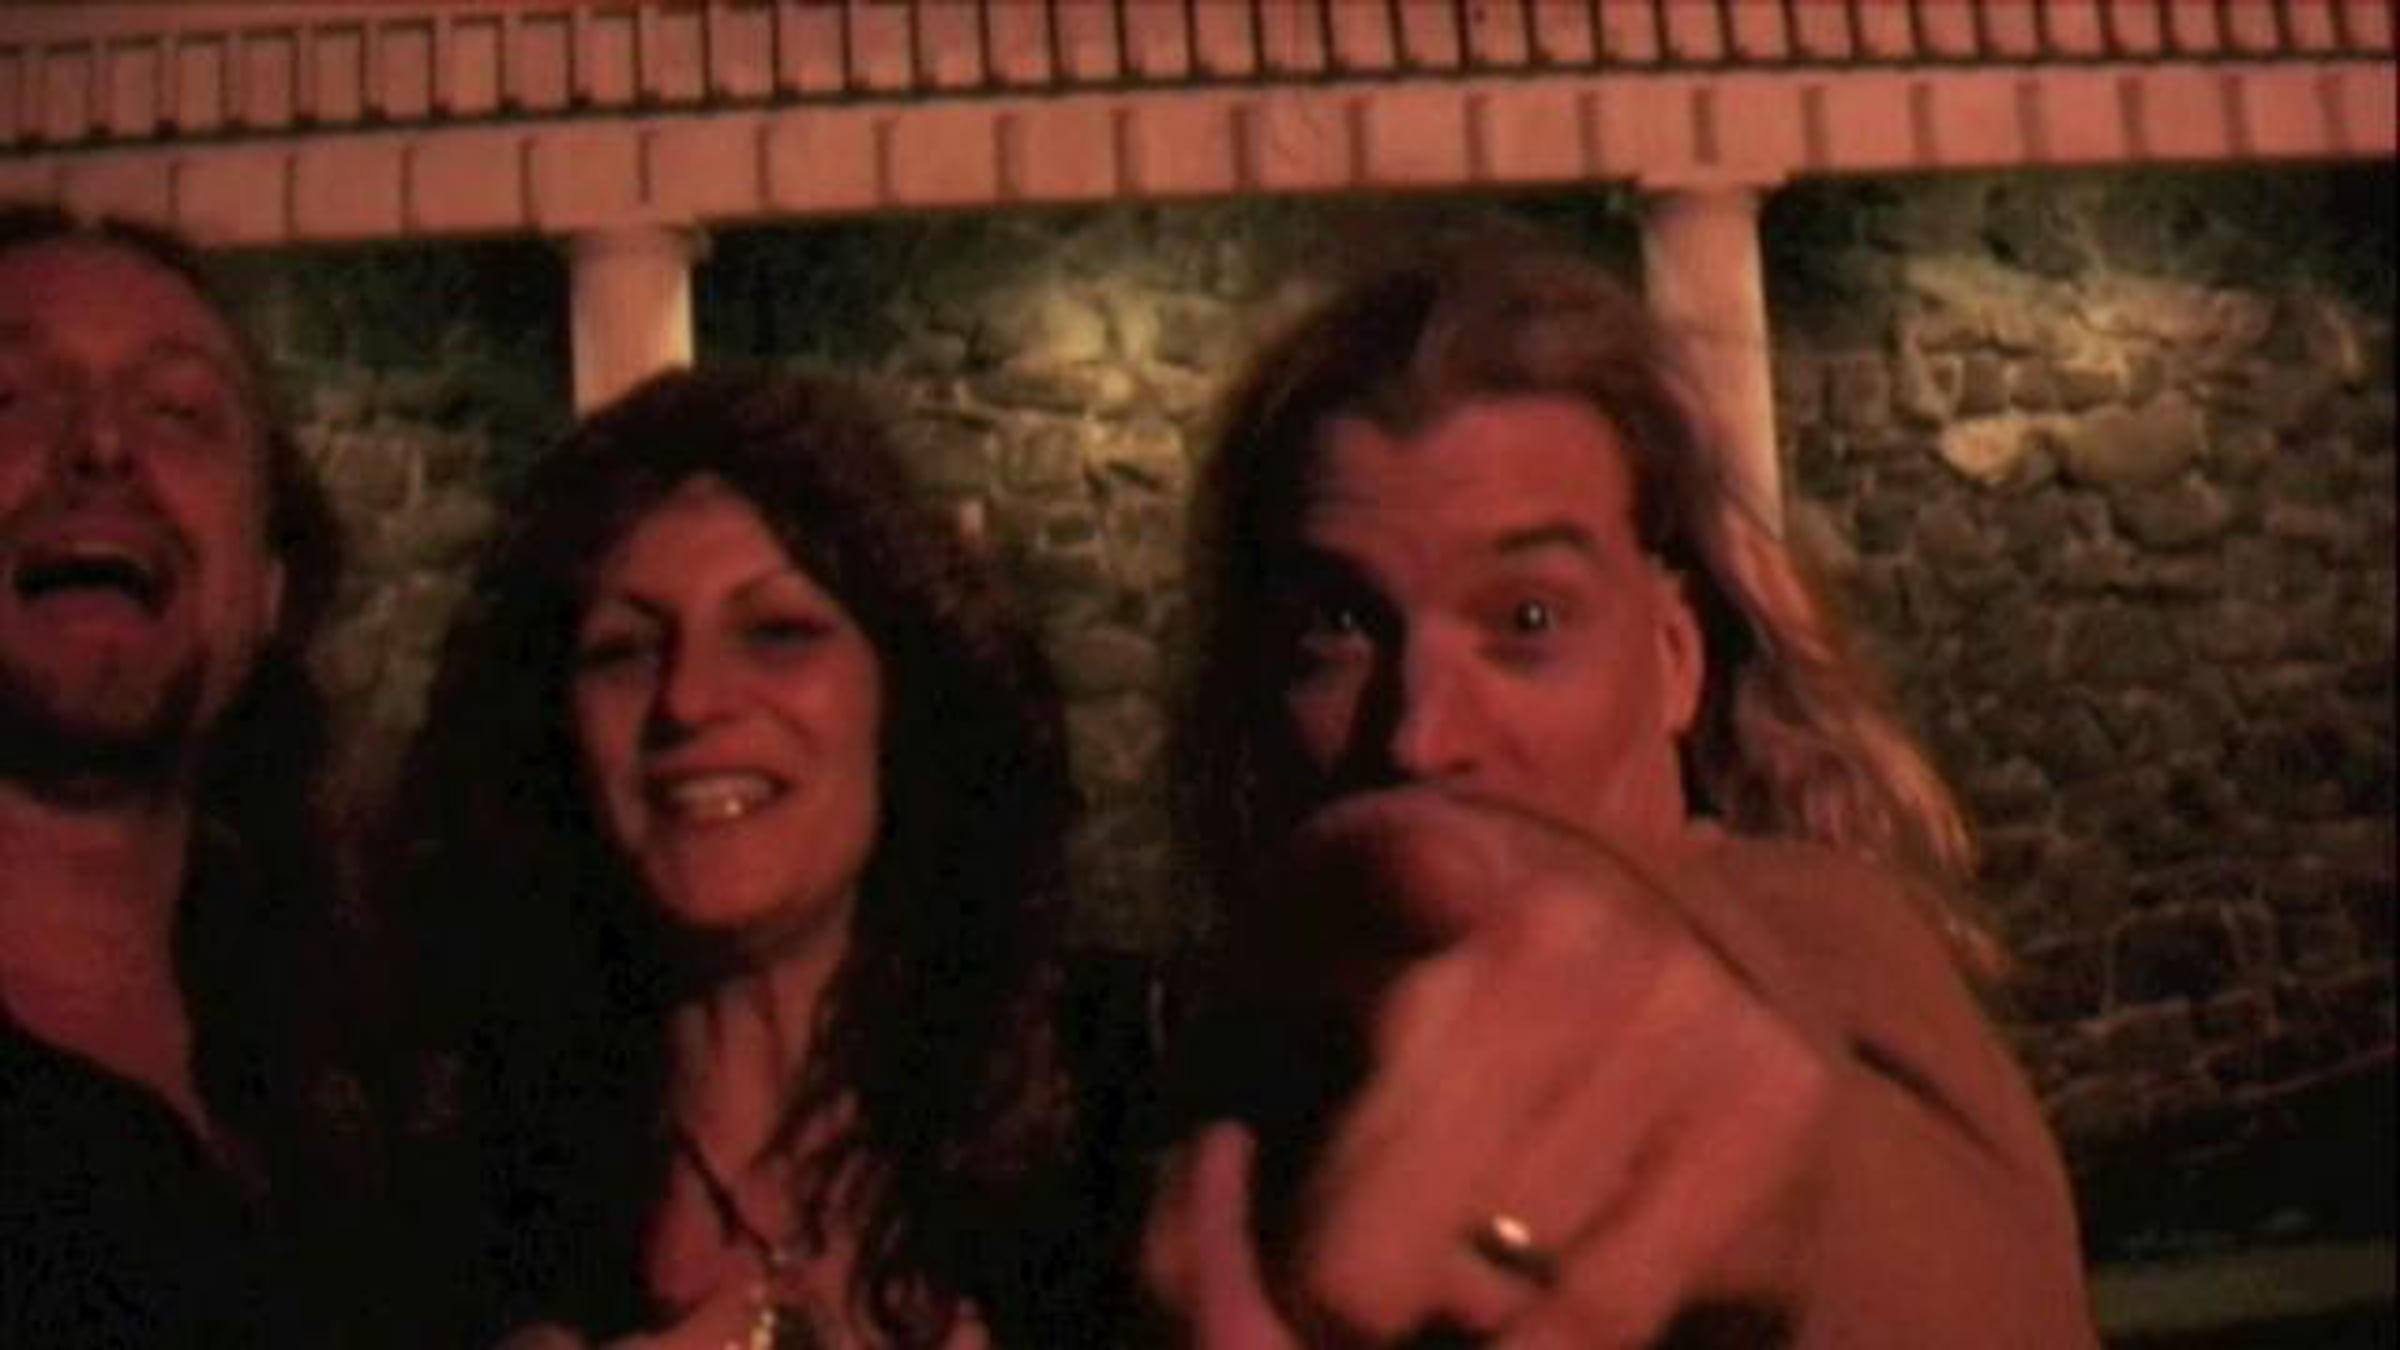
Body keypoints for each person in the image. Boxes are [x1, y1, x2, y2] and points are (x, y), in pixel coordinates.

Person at [1143, 239, 2096, 1346]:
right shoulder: (1209, 1090)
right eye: (1337, 628)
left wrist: (1784, 1192)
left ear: (1676, 656)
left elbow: (1910, 1221)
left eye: (1528, 620)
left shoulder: (1829, 938)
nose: (1421, 737)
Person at [376, 367, 1152, 1347]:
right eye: (624, 651)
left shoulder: (1114, 1116)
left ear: (905, 699)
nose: (690, 700)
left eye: (778, 634)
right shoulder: (444, 1193)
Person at [0, 206, 355, 1344]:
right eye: (9, 399)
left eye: (179, 413)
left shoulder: (358, 1088)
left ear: (268, 590)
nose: (102, 445)